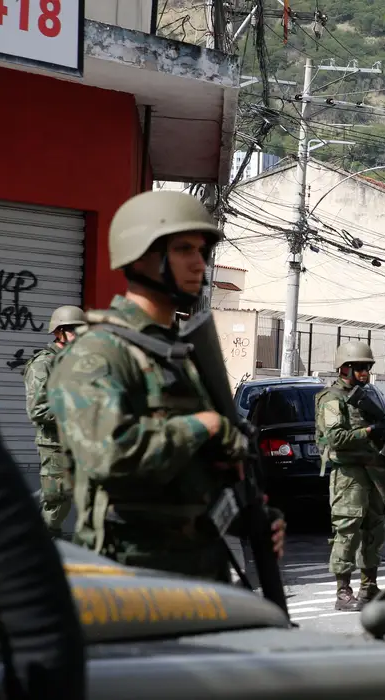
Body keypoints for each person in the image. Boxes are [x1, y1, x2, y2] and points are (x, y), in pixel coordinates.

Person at [47, 190, 285, 582]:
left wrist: (251, 517)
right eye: (183, 249)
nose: (199, 264)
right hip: (131, 581)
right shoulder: (99, 354)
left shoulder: (181, 355)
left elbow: (196, 476)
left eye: (202, 251)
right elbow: (110, 455)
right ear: (141, 257)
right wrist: (204, 426)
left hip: (202, 572)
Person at [316, 340, 385, 611]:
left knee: (374, 531)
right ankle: (343, 592)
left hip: (375, 473)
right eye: (360, 368)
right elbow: (336, 438)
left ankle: (369, 588)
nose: (365, 373)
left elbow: (381, 431)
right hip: (350, 475)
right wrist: (370, 431)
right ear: (344, 369)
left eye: (367, 368)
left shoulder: (370, 396)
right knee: (347, 531)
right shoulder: (332, 400)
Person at [24, 305, 86, 539]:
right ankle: (41, 548)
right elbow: (38, 410)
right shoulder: (43, 364)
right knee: (56, 502)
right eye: (75, 330)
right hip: (56, 444)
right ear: (60, 332)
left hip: (81, 442)